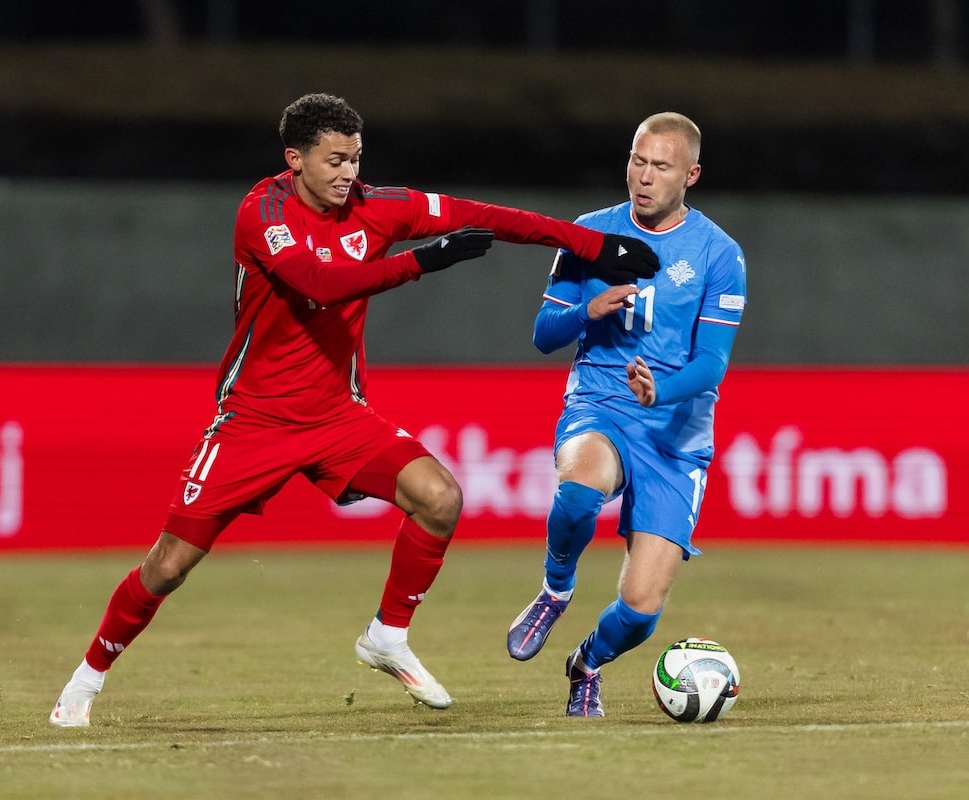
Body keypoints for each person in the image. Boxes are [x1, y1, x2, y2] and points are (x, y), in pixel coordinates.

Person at [49, 92, 660, 726]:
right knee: (169, 563)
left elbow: (485, 215)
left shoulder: (376, 206)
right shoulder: (263, 212)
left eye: (356, 159)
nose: (349, 173)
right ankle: (85, 682)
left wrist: (590, 245)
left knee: (440, 498)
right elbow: (318, 285)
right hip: (255, 419)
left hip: (337, 415)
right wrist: (422, 262)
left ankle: (387, 636)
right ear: (296, 159)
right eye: (336, 160)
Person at [504, 112, 747, 717]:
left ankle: (585, 663)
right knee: (580, 492)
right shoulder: (588, 234)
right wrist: (590, 312)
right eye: (637, 160)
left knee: (640, 612)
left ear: (690, 174)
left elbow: (712, 363)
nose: (644, 176)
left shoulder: (719, 255)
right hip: (602, 398)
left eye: (660, 166)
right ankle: (556, 587)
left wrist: (660, 392)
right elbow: (541, 334)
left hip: (676, 429)